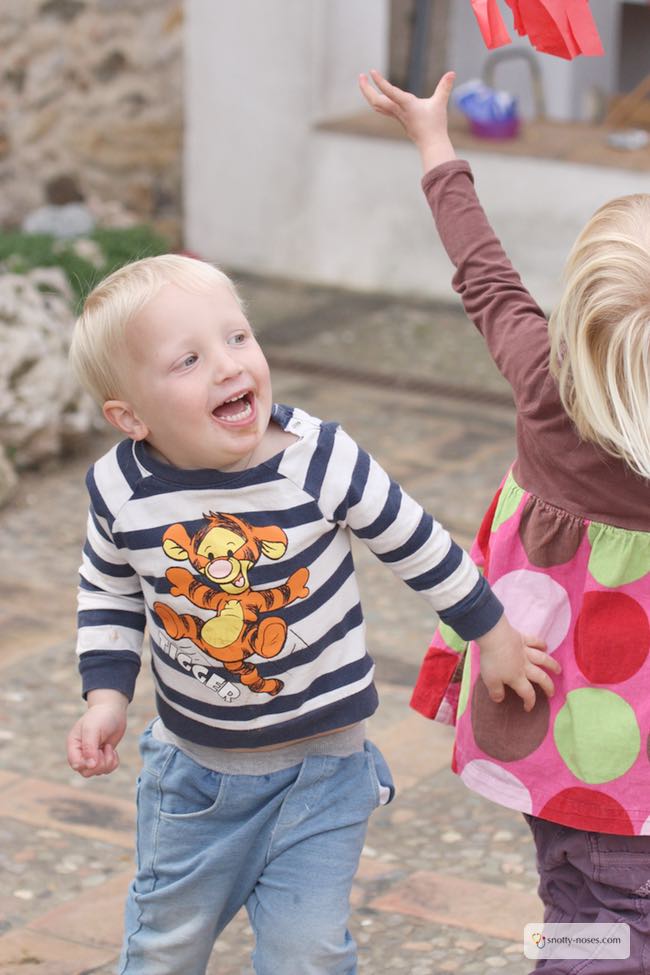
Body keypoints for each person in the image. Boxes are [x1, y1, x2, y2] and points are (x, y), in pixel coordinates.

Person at [65, 252, 557, 975]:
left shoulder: (319, 459)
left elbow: (419, 543)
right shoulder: (121, 488)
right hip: (195, 780)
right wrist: (106, 697)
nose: (230, 366)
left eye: (238, 338)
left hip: (325, 772)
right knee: (165, 943)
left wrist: (494, 630)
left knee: (311, 951)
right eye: (190, 359)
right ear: (130, 416)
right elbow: (107, 588)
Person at [359, 68, 650, 972]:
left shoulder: (542, 379)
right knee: (618, 902)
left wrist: (434, 143)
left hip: (538, 705)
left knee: (574, 883)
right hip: (629, 750)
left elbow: (482, 272)